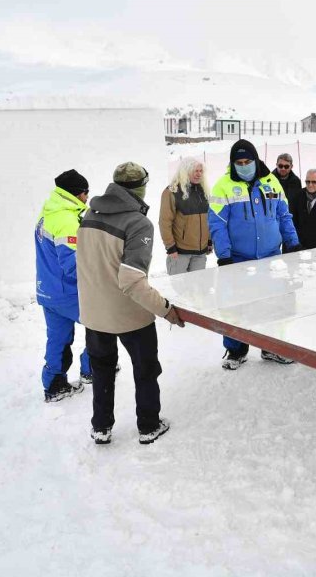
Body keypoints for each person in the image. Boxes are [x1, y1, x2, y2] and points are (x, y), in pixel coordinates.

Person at [77, 162, 185, 445]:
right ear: (141, 188)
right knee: (146, 370)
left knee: (102, 371)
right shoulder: (138, 223)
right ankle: (149, 425)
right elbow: (132, 280)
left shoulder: (89, 215)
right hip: (130, 316)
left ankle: (101, 427)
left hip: (94, 314)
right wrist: (165, 309)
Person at [209, 139, 300, 370]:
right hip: (239, 259)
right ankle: (237, 349)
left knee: (274, 303)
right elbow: (217, 224)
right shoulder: (223, 186)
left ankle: (272, 347)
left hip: (271, 258)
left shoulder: (272, 183)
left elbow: (284, 215)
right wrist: (224, 255)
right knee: (235, 306)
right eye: (238, 162)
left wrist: (292, 242)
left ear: (255, 159)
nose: (244, 165)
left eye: (247, 161)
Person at [34, 169, 91, 402]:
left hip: (48, 290)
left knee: (57, 338)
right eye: (86, 193)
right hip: (69, 293)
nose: (87, 197)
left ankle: (54, 384)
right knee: (101, 327)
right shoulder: (67, 220)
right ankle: (92, 370)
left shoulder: (48, 213)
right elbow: (74, 265)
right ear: (78, 194)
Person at [158, 157, 212, 275]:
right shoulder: (172, 191)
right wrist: (170, 247)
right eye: (195, 171)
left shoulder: (204, 191)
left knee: (198, 289)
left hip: (200, 254)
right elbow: (164, 221)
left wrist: (209, 241)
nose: (199, 174)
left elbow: (208, 219)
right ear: (185, 171)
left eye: (200, 171)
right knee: (179, 289)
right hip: (180, 253)